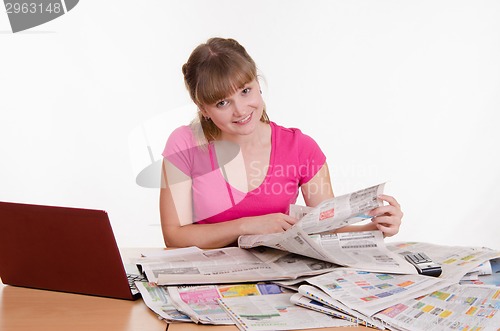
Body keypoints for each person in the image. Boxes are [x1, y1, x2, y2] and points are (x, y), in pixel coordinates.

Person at [159, 37, 403, 249]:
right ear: (203, 109)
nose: (241, 110)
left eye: (245, 91)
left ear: (257, 83)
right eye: (222, 103)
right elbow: (174, 235)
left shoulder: (301, 148)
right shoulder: (184, 144)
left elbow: (326, 230)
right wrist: (247, 226)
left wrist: (374, 228)